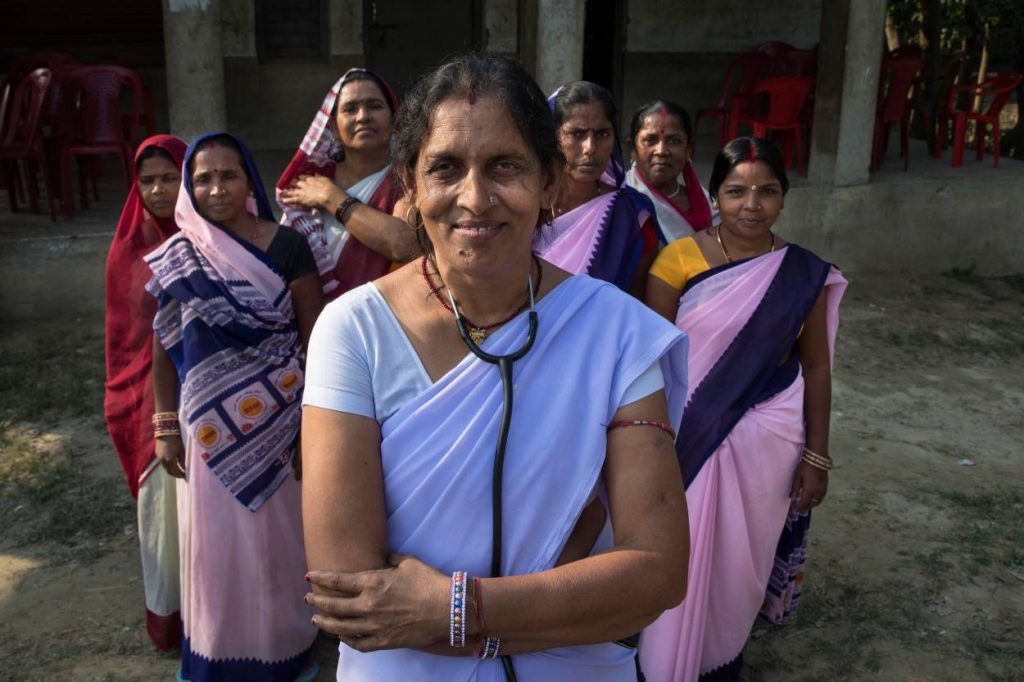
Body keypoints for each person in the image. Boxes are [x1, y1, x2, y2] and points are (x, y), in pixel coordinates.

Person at [300, 53, 692, 681]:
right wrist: (558, 605)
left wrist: (455, 610)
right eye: (445, 168)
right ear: (410, 184)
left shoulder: (617, 333)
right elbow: (354, 597)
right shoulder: (352, 332)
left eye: (506, 166)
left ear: (550, 184)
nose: (475, 199)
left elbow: (657, 573)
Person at [640, 137, 847, 682]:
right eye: (736, 191)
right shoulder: (677, 259)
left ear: (784, 198)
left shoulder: (802, 274)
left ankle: (721, 659)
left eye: (767, 191)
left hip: (768, 443)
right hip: (689, 433)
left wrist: (817, 456)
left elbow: (817, 369)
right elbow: (651, 359)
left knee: (738, 566)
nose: (751, 205)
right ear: (713, 197)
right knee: (678, 550)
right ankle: (664, 664)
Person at [145, 132, 323, 682]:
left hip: (280, 420)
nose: (216, 187)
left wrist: (311, 426)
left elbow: (316, 339)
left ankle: (285, 651)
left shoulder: (288, 246)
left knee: (278, 543)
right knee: (214, 546)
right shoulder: (181, 258)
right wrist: (164, 426)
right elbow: (163, 347)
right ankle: (216, 653)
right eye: (203, 178)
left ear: (248, 181)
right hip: (208, 431)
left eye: (228, 175)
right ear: (189, 189)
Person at [104, 134, 186, 651]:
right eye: (148, 181)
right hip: (144, 403)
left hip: (211, 401)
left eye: (170, 178)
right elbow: (123, 341)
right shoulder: (126, 251)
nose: (159, 190)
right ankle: (171, 623)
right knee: (163, 517)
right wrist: (157, 416)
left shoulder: (211, 240)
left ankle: (216, 622)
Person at [277, 68, 417, 300]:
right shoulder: (308, 185)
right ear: (332, 126)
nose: (363, 116)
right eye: (350, 109)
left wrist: (333, 199)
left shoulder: (408, 182)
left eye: (375, 106)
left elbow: (405, 245)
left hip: (386, 320)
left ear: (394, 119)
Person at [534, 81, 660, 296]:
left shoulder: (631, 215)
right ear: (552, 137)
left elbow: (635, 303)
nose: (590, 148)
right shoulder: (525, 204)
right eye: (576, 134)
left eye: (602, 134)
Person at [625, 101, 717, 242]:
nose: (661, 151)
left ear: (688, 150)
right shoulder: (620, 202)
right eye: (650, 140)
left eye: (674, 141)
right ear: (632, 149)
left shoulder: (708, 204)